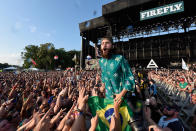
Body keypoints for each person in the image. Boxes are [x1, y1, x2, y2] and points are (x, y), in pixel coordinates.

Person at [99, 36, 135, 101]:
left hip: (121, 97)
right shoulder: (101, 61)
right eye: (102, 43)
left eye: (107, 43)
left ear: (112, 46)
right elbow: (103, 75)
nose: (104, 45)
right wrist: (102, 86)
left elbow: (129, 77)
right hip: (108, 98)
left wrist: (121, 94)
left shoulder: (120, 58)